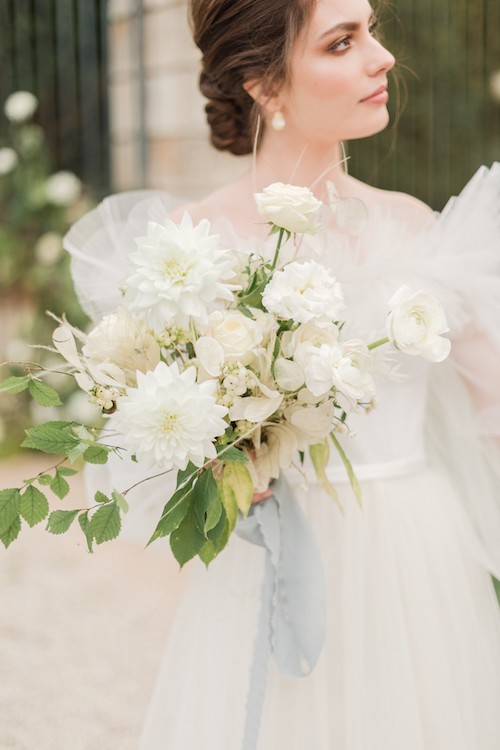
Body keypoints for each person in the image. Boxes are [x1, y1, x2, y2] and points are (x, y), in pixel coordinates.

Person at [64, 0, 500, 747]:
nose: (381, 57)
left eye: (372, 30)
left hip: (416, 560)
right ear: (264, 84)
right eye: (342, 42)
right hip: (271, 557)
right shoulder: (189, 253)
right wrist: (215, 452)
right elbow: (148, 445)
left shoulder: (418, 227)